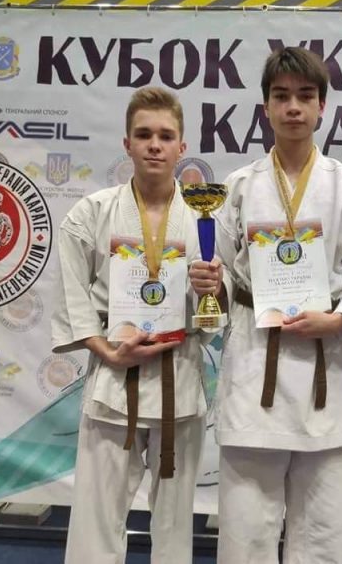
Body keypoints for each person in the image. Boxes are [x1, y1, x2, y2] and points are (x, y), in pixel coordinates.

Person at [190, 46, 342, 563]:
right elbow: (221, 272)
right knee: (246, 534)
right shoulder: (238, 187)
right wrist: (211, 284)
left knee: (324, 534)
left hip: (328, 373)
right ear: (265, 107)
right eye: (281, 97)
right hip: (255, 365)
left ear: (322, 106)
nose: (293, 108)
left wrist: (339, 318)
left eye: (305, 96)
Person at [51, 86, 206, 564]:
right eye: (144, 135)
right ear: (127, 144)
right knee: (96, 518)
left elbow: (216, 311)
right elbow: (71, 294)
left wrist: (213, 290)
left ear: (182, 146)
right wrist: (106, 351)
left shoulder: (204, 219)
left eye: (165, 136)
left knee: (175, 525)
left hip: (179, 377)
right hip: (114, 378)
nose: (154, 145)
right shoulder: (91, 213)